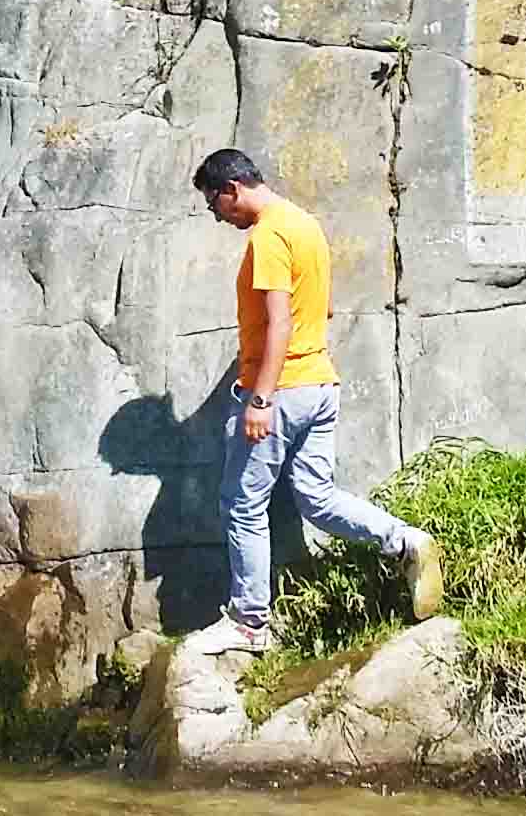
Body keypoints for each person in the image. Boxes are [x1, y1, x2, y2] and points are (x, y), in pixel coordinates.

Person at [185, 148, 441, 657]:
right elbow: (320, 309)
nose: (217, 215)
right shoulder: (305, 225)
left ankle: (249, 621)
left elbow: (280, 321)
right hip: (321, 385)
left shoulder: (269, 236)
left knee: (242, 504)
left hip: (282, 392)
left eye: (215, 204)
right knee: (316, 498)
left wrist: (261, 398)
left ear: (232, 189)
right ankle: (405, 540)